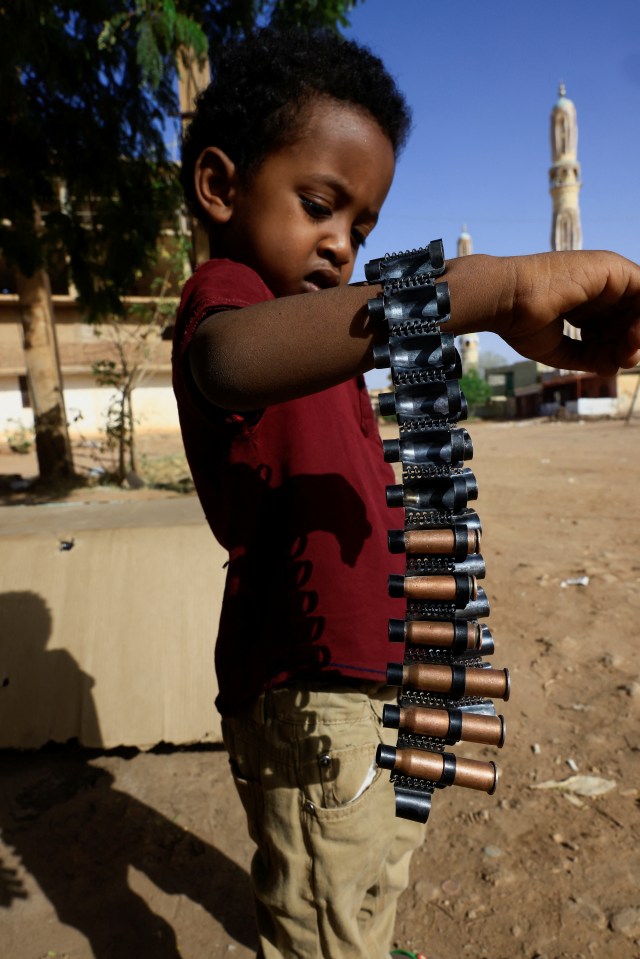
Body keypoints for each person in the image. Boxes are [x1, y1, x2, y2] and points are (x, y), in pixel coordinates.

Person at [172, 28, 640, 959]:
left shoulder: (320, 332)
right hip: (303, 682)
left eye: (364, 228)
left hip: (375, 670)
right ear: (221, 188)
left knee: (376, 859)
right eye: (318, 205)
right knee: (326, 895)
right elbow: (227, 360)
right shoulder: (229, 300)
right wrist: (485, 290)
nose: (342, 246)